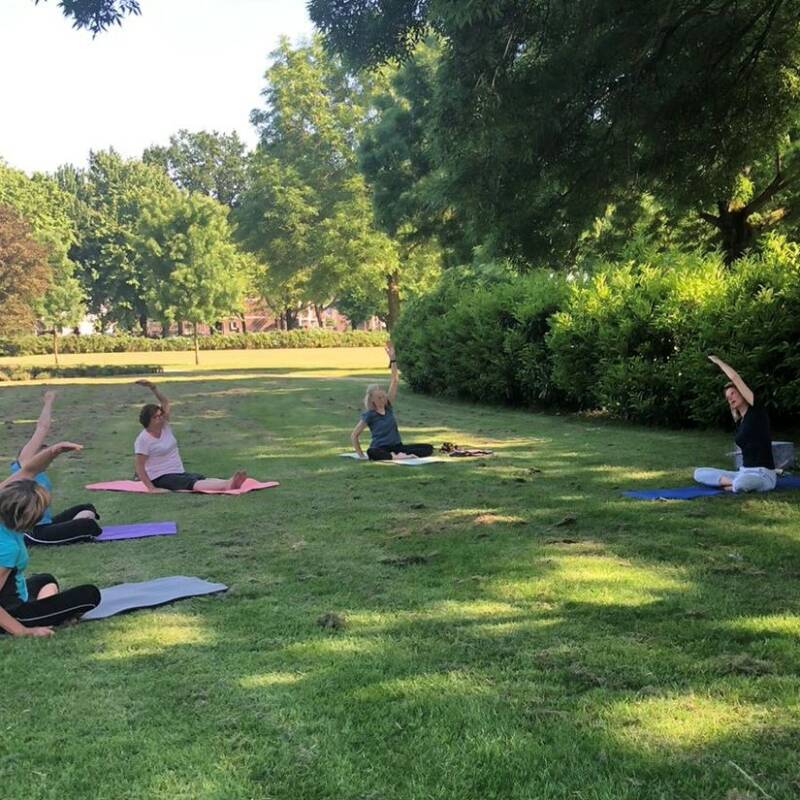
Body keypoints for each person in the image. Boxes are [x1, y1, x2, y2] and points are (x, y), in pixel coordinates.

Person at [0, 442, 101, 636]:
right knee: (89, 594)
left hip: (17, 599)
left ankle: (49, 613)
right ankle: (44, 617)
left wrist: (53, 451)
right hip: (14, 614)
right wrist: (23, 631)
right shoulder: (7, 547)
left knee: (45, 580)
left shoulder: (3, 512)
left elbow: (28, 470)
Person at [10, 390, 101, 545]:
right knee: (88, 525)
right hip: (34, 532)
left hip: (46, 524)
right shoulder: (23, 466)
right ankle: (77, 528)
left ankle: (74, 526)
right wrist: (48, 402)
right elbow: (42, 428)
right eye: (41, 452)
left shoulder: (40, 472)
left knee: (87, 508)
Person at [134, 379, 248, 492]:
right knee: (192, 483)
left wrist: (153, 387)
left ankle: (229, 482)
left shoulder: (165, 426)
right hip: (160, 477)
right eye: (156, 417)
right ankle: (227, 485)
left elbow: (165, 402)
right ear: (148, 420)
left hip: (178, 471)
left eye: (160, 415)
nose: (160, 418)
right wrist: (151, 488)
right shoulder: (143, 439)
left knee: (199, 477)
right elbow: (140, 467)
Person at [693, 355, 777, 493]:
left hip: (764, 475)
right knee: (698, 472)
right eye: (727, 397)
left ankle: (733, 485)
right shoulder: (740, 422)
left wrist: (719, 362)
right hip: (743, 472)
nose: (730, 398)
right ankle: (732, 484)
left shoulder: (757, 411)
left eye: (733, 393)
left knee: (741, 483)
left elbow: (735, 378)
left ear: (743, 393)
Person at [350, 342, 434, 461]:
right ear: (372, 400)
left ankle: (398, 455)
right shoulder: (369, 415)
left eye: (383, 396)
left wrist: (393, 359)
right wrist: (361, 455)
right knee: (372, 452)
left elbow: (394, 380)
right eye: (379, 398)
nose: (383, 399)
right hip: (380, 448)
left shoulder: (388, 406)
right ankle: (395, 457)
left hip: (397, 447)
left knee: (428, 448)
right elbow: (354, 435)